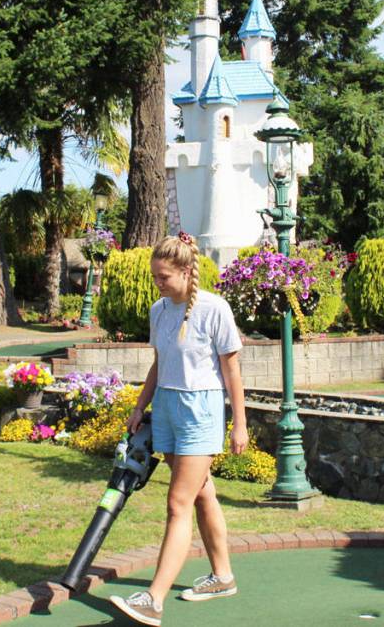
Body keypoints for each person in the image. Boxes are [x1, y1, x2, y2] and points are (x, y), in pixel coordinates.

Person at [109, 233, 248, 627]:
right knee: (202, 494)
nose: (158, 283)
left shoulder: (214, 309)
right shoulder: (159, 310)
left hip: (200, 410)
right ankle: (222, 577)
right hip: (167, 407)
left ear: (187, 272)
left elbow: (231, 370)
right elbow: (159, 362)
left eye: (164, 276)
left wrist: (240, 423)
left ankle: (153, 600)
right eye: (155, 276)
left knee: (177, 503)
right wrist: (140, 405)